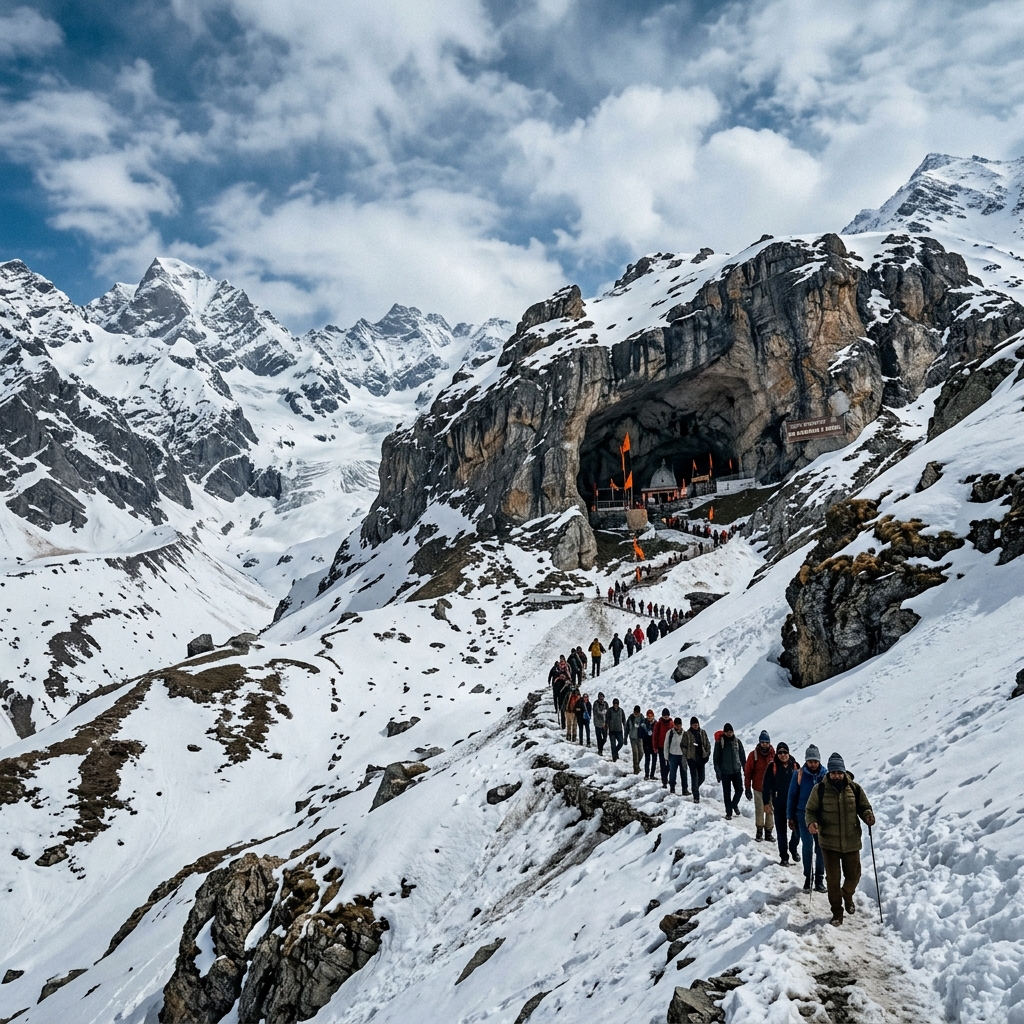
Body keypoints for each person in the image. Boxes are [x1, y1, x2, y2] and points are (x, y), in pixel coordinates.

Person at [805, 752, 875, 926]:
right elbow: (810, 810)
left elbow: (864, 806)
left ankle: (848, 894)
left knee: (854, 875)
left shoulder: (855, 789)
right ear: (829, 772)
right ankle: (837, 912)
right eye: (834, 772)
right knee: (833, 880)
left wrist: (867, 815)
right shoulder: (819, 789)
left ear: (844, 772)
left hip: (851, 842)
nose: (837, 775)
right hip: (829, 843)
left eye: (839, 772)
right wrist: (811, 823)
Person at [788, 745, 827, 893]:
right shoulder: (799, 774)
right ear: (806, 761)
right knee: (807, 846)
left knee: (821, 847)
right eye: (810, 761)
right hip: (802, 814)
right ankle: (808, 877)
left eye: (815, 761)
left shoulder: (825, 775)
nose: (813, 764)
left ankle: (819, 879)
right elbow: (792, 796)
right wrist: (790, 816)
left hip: (820, 816)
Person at [763, 742, 800, 866]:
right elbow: (766, 786)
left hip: (794, 805)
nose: (783, 755)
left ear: (789, 753)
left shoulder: (795, 766)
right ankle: (784, 856)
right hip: (779, 804)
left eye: (785, 752)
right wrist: (766, 803)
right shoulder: (772, 767)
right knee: (781, 831)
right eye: (780, 752)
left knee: (797, 830)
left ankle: (793, 848)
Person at [744, 730, 776, 842]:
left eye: (766, 742)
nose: (765, 744)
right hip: (758, 787)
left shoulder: (774, 755)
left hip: (771, 788)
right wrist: (747, 787)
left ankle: (769, 832)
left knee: (770, 810)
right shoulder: (754, 755)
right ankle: (759, 831)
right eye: (763, 742)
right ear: (759, 742)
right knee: (759, 810)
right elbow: (748, 772)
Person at [713, 723, 745, 819]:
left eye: (730, 732)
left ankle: (734, 804)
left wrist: (745, 767)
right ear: (724, 732)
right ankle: (729, 813)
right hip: (725, 772)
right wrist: (718, 772)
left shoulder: (737, 742)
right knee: (727, 793)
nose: (729, 734)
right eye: (727, 732)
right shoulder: (720, 743)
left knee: (740, 790)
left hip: (736, 771)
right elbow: (716, 758)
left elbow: (742, 756)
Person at [684, 716, 711, 802]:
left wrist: (706, 755)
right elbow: (683, 746)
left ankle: (694, 788)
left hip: (701, 759)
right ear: (691, 725)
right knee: (694, 778)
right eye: (694, 725)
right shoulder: (687, 734)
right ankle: (696, 796)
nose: (695, 726)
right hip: (692, 760)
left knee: (702, 778)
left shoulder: (702, 733)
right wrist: (687, 756)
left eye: (696, 724)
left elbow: (707, 744)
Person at [664, 717, 689, 793]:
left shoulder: (685, 734)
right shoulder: (670, 733)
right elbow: (666, 745)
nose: (678, 726)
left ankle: (685, 789)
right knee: (672, 773)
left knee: (684, 774)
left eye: (679, 725)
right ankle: (672, 788)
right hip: (673, 756)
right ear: (674, 725)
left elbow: (688, 746)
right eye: (676, 725)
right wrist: (666, 757)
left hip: (682, 756)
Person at [652, 708, 673, 788]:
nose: (666, 717)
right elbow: (655, 736)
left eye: (667, 715)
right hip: (661, 747)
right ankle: (664, 780)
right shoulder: (658, 724)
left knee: (669, 765)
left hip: (670, 747)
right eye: (664, 715)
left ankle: (668, 778)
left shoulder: (672, 724)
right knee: (663, 764)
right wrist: (655, 747)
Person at [626, 705, 645, 775]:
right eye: (635, 712)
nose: (636, 713)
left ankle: (637, 764)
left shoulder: (642, 718)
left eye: (637, 712)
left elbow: (645, 728)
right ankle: (635, 768)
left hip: (639, 738)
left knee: (641, 753)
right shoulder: (631, 718)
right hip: (632, 737)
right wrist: (625, 738)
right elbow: (626, 728)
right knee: (635, 753)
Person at [640, 709, 657, 779]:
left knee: (654, 760)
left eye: (651, 716)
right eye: (648, 716)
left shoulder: (656, 724)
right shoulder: (644, 723)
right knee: (647, 760)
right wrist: (645, 733)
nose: (650, 717)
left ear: (653, 716)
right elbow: (640, 734)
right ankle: (646, 774)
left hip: (654, 745)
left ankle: (652, 774)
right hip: (646, 744)